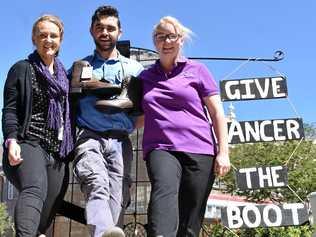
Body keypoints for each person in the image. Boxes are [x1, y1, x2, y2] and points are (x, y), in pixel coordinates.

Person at [138, 16, 231, 237]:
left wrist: (223, 152)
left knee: (191, 219)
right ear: (155, 42)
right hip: (161, 147)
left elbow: (218, 113)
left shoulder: (197, 70)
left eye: (172, 36)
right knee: (164, 191)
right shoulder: (144, 77)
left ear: (181, 40)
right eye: (161, 37)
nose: (166, 41)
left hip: (200, 150)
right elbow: (137, 117)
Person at [71, 5, 143, 237]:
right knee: (95, 182)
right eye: (99, 27)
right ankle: (103, 231)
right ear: (91, 31)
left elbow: (144, 112)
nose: (105, 32)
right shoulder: (80, 66)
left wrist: (131, 124)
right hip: (89, 135)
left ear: (119, 32)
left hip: (121, 141)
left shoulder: (136, 69)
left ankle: (106, 232)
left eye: (110, 28)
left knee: (117, 198)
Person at [2, 15, 74, 237]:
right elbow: (10, 109)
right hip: (28, 142)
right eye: (42, 35)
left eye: (53, 35)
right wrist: (11, 139)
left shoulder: (66, 77)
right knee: (34, 187)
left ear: (60, 39)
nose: (48, 40)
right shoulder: (22, 69)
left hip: (57, 151)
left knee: (48, 208)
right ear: (34, 39)